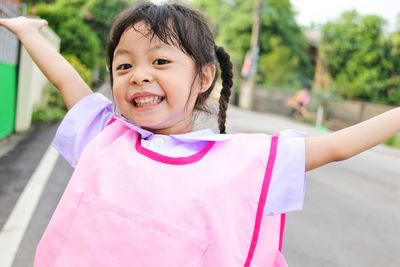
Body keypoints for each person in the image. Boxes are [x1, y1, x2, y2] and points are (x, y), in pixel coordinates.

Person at [1, 2, 399, 266]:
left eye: (160, 61)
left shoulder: (244, 160)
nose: (139, 74)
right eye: (124, 67)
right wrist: (29, 34)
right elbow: (67, 81)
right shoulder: (104, 135)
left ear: (204, 77)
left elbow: (336, 146)